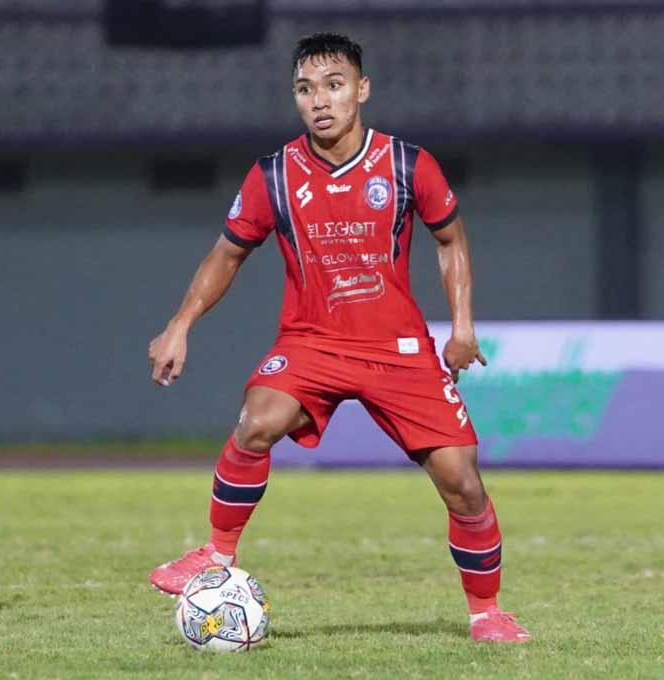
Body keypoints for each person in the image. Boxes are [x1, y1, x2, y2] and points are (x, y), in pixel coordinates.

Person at [146, 32, 530, 643]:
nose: (320, 100)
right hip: (311, 343)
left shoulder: (407, 165)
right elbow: (226, 255)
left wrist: (461, 330)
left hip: (396, 350)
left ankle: (487, 613)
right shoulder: (273, 175)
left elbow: (451, 239)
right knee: (256, 421)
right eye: (305, 89)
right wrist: (180, 323)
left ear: (361, 90)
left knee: (463, 483)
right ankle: (217, 553)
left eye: (333, 85)